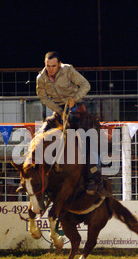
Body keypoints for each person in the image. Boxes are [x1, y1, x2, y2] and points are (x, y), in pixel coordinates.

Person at [36, 51, 111, 197]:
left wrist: (74, 99)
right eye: (48, 66)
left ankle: (94, 178)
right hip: (59, 113)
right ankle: (39, 179)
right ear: (45, 64)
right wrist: (59, 111)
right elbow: (43, 97)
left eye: (53, 66)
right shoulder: (41, 78)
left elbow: (85, 85)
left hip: (77, 111)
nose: (50, 69)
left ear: (59, 64)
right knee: (41, 138)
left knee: (89, 142)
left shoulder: (68, 70)